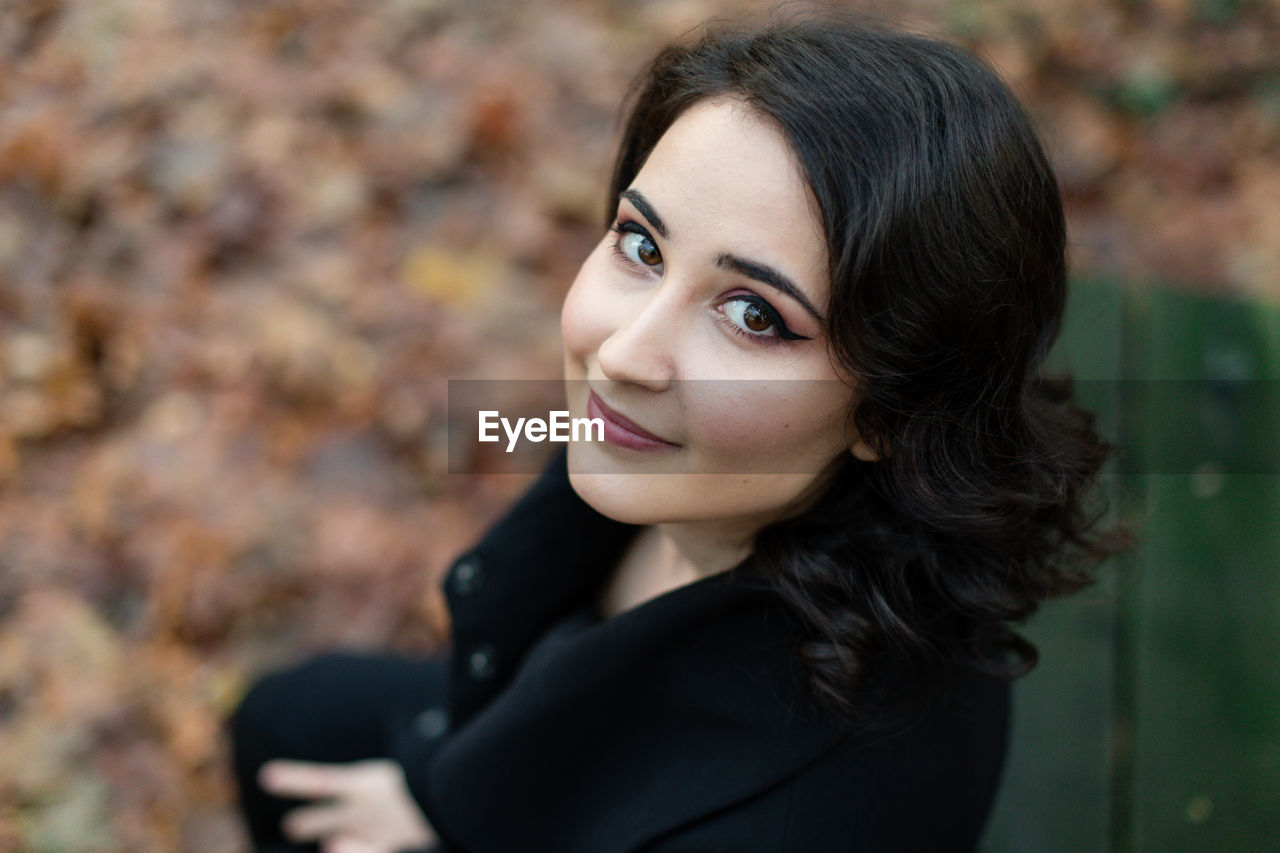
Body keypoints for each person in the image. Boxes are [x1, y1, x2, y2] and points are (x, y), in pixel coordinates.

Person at [228, 12, 1130, 853]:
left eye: (753, 313)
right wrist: (442, 788)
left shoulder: (794, 814)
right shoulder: (703, 454)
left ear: (891, 411)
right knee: (284, 721)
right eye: (642, 246)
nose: (624, 352)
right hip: (535, 750)